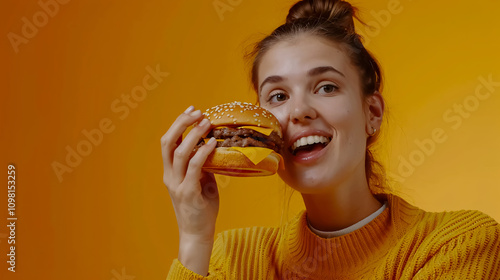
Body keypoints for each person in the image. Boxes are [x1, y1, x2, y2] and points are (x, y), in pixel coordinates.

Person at [161, 0, 500, 279]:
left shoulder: (458, 243)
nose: (298, 110)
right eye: (277, 96)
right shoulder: (232, 259)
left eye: (326, 87)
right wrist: (194, 237)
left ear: (372, 113)